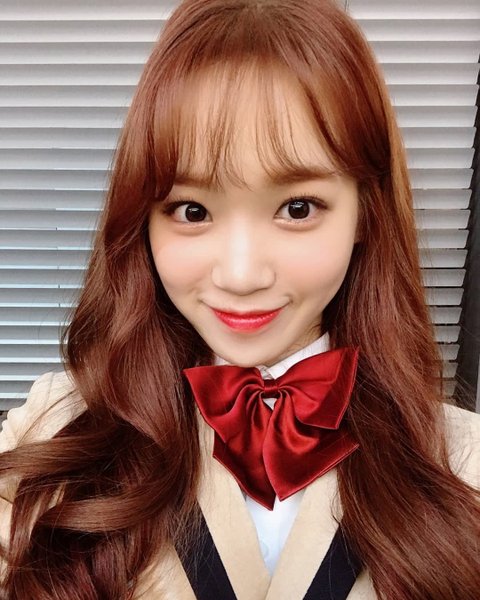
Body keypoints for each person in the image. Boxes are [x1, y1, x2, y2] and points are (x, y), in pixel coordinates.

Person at [1, 0, 479, 598]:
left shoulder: (463, 463)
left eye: (297, 208)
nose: (242, 274)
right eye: (192, 210)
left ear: (366, 212)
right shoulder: (52, 431)